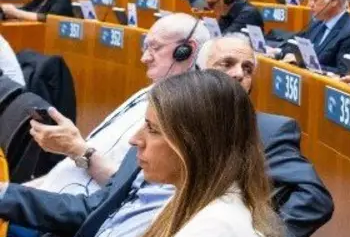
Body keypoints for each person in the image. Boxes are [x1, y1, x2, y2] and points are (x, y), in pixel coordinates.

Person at [0, 41, 332, 237]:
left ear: (194, 137)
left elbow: (312, 201)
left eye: (247, 68)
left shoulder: (215, 228)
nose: (134, 140)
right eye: (226, 63)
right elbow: (99, 206)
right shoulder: (186, 194)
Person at [83, 69, 283, 237]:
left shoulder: (216, 235)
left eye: (153, 130)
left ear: (196, 144)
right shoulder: (190, 200)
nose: (135, 140)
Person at [24, 14, 213, 194]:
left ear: (186, 50)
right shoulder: (147, 92)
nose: (144, 58)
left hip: (78, 211)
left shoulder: (186, 115)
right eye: (145, 48)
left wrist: (75, 148)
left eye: (155, 48)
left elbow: (132, 192)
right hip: (54, 189)